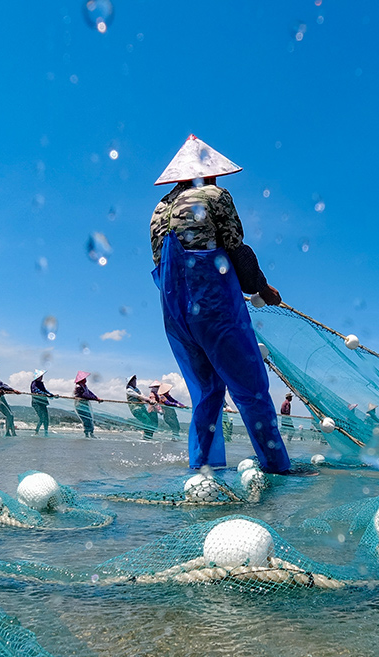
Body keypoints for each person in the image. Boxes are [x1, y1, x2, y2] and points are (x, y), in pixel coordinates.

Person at [150, 134, 291, 473]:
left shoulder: (158, 209)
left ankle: (203, 471)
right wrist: (262, 288)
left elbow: (168, 262)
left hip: (173, 312)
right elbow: (236, 250)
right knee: (251, 388)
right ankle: (277, 469)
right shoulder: (215, 194)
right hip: (213, 306)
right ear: (209, 173)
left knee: (207, 392)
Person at [74, 371, 101, 438]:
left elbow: (89, 393)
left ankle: (91, 433)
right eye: (84, 378)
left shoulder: (84, 386)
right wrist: (94, 398)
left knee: (89, 419)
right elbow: (85, 395)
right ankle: (87, 434)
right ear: (81, 379)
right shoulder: (78, 386)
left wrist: (96, 397)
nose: (86, 380)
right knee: (85, 419)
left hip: (84, 404)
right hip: (80, 405)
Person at [30, 369, 56, 435]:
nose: (41, 377)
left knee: (46, 418)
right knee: (41, 418)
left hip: (43, 402)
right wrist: (44, 394)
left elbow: (45, 390)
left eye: (42, 376)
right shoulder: (34, 383)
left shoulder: (41, 383)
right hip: (36, 402)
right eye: (40, 376)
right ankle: (36, 431)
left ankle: (46, 432)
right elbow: (36, 390)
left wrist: (51, 394)